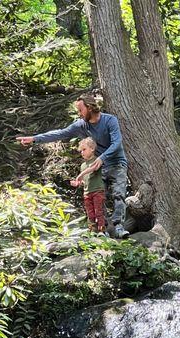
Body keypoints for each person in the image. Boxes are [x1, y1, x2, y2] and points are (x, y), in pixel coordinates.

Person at [16, 94, 129, 238]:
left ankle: (119, 227)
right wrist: (34, 139)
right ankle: (103, 229)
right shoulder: (81, 125)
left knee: (119, 194)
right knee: (98, 198)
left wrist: (102, 157)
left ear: (89, 107)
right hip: (98, 167)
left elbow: (116, 143)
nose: (79, 113)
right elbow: (60, 133)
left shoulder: (109, 120)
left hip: (116, 163)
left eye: (81, 110)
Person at [70, 137, 106, 234]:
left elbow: (93, 168)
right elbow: (84, 181)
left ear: (92, 148)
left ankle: (101, 230)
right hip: (87, 192)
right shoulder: (83, 165)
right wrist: (77, 183)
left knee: (98, 211)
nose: (82, 152)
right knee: (90, 213)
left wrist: (80, 175)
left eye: (84, 149)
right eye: (81, 151)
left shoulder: (97, 160)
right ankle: (92, 231)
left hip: (98, 190)